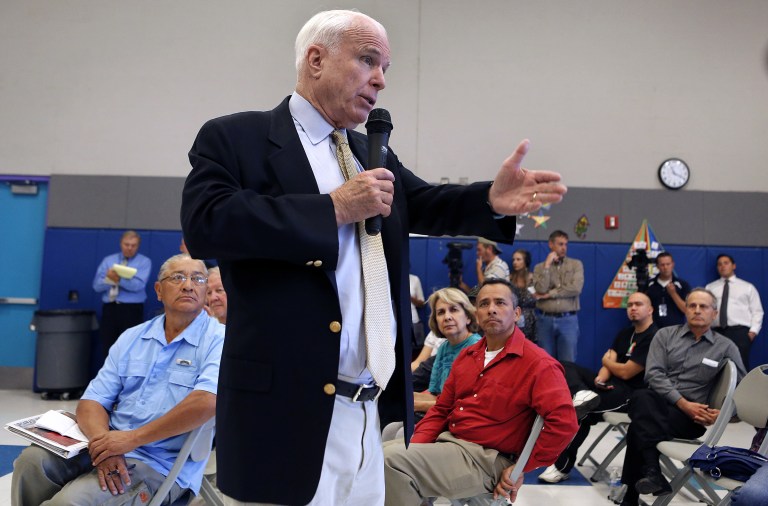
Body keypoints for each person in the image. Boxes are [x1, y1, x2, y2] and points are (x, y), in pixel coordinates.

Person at [180, 9, 567, 505]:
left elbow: (423, 201)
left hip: (367, 410)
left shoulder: (369, 151)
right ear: (316, 59)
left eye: (386, 67)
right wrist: (333, 208)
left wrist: (489, 200)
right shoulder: (238, 138)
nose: (381, 81)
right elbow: (207, 223)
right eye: (368, 61)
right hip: (284, 411)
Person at [12, 254, 225, 506]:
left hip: (159, 462)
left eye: (197, 279)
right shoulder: (132, 337)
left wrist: (131, 440)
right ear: (158, 290)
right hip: (107, 443)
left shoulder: (219, 339)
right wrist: (104, 445)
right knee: (31, 463)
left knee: (68, 503)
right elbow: (92, 400)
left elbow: (206, 402)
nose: (188, 285)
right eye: (177, 277)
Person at [382, 279, 577, 504]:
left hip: (488, 459)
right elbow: (442, 409)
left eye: (500, 303)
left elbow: (564, 423)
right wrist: (417, 445)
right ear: (476, 313)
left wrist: (522, 467)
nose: (491, 308)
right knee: (376, 456)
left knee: (389, 462)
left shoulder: (539, 364)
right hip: (452, 443)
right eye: (484, 303)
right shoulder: (467, 356)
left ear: (516, 313)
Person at [618, 288, 745, 506]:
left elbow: (741, 392)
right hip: (661, 405)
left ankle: (643, 483)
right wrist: (683, 403)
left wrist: (723, 415)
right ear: (685, 310)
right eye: (692, 305)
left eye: (703, 306)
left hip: (689, 420)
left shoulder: (725, 347)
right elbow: (654, 374)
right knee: (643, 398)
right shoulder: (665, 335)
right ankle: (648, 474)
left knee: (640, 417)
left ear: (714, 313)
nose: (697, 310)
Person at [538, 292, 659, 483]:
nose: (633, 308)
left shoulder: (654, 337)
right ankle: (580, 393)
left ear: (650, 309)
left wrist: (608, 364)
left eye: (639, 304)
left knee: (581, 412)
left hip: (631, 394)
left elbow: (627, 372)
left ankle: (561, 467)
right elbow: (609, 361)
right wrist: (601, 378)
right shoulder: (626, 333)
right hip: (611, 384)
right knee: (563, 365)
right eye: (630, 305)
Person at [92, 230, 152, 357]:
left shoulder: (144, 262)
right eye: (126, 244)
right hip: (110, 308)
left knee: (130, 348)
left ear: (138, 246)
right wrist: (109, 280)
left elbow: (138, 286)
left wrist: (118, 279)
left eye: (133, 245)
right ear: (121, 243)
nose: (129, 248)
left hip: (131, 309)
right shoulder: (108, 260)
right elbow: (96, 286)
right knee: (108, 347)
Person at [706, 254, 763, 370]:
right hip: (716, 332)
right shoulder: (710, 288)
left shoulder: (747, 287)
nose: (722, 266)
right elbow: (706, 309)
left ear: (734, 266)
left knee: (740, 365)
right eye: (719, 264)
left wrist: (752, 332)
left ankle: (742, 388)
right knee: (715, 365)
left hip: (740, 333)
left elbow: (757, 311)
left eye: (726, 263)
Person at [533, 230, 584, 361]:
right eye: (560, 244)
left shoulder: (575, 264)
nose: (564, 248)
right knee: (545, 362)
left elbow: (575, 288)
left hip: (567, 319)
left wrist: (550, 294)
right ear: (551, 244)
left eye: (566, 244)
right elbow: (540, 288)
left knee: (568, 362)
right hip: (545, 320)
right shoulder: (539, 267)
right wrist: (547, 266)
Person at [644, 252, 690, 328]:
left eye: (668, 264)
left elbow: (687, 310)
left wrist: (673, 294)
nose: (665, 267)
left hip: (676, 329)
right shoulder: (649, 284)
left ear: (673, 264)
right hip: (653, 329)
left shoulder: (682, 285)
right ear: (657, 266)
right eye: (662, 265)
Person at [509, 248, 536, 341]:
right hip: (513, 318)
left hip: (530, 319)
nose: (515, 262)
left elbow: (536, 298)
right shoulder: (510, 279)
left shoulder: (533, 278)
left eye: (518, 259)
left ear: (525, 262)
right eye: (513, 260)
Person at [409, 273, 426, 346]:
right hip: (396, 320)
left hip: (413, 320)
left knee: (416, 349)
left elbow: (421, 303)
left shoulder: (414, 279)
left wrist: (408, 296)